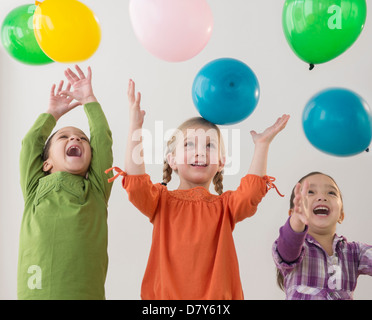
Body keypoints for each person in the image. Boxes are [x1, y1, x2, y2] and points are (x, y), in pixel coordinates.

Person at [106, 79, 289, 299]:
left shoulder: (225, 206)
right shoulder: (160, 201)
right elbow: (136, 183)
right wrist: (135, 127)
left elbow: (251, 192)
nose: (200, 152)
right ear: (171, 160)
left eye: (209, 146)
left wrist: (262, 145)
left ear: (221, 162)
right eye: (189, 144)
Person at [18, 65, 113, 300]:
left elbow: (102, 139)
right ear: (46, 163)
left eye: (82, 138)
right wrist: (52, 114)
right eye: (64, 136)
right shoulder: (34, 187)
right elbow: (30, 144)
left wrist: (89, 100)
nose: (75, 138)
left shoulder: (96, 189)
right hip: (36, 292)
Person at [273, 172, 372, 300]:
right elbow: (287, 248)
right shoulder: (297, 248)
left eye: (331, 193)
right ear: (293, 213)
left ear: (341, 216)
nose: (322, 197)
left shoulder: (355, 252)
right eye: (310, 192)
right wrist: (297, 221)